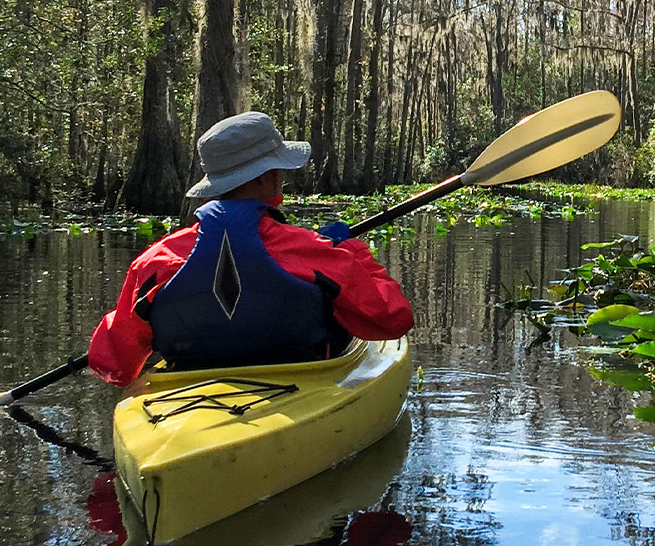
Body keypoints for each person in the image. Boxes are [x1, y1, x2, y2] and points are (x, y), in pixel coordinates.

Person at [88, 111, 413, 386]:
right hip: (300, 382)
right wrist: (351, 252)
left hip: (189, 391)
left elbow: (114, 365)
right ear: (262, 179)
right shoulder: (311, 251)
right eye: (277, 169)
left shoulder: (155, 261)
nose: (281, 176)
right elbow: (393, 319)